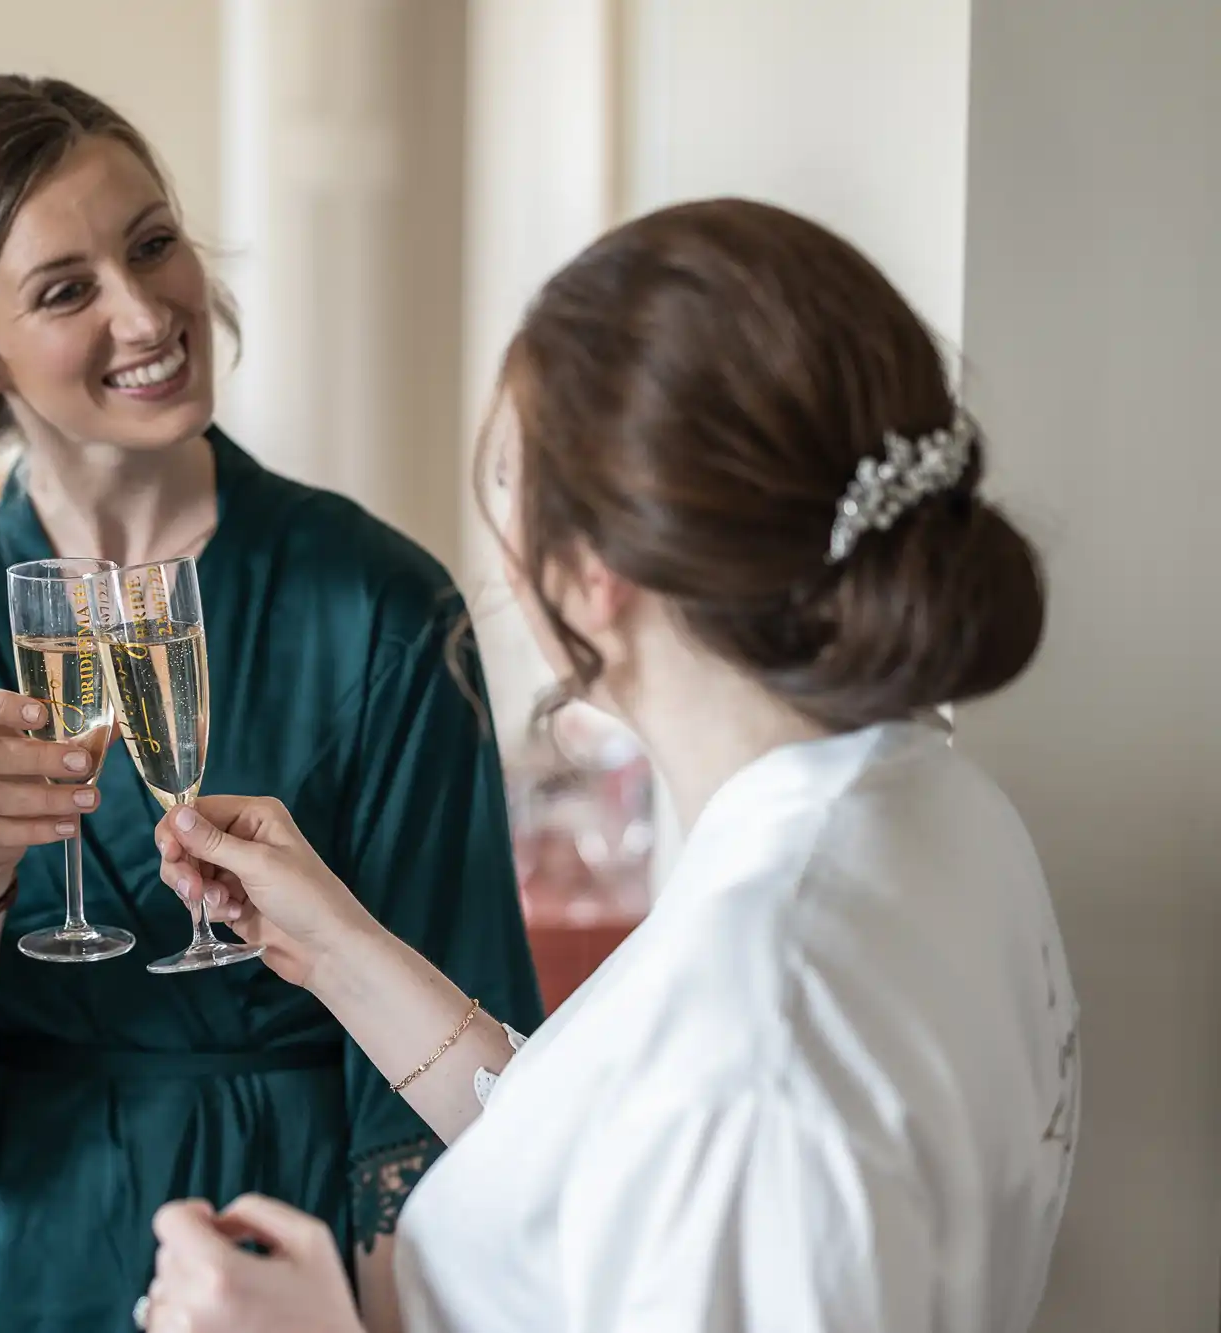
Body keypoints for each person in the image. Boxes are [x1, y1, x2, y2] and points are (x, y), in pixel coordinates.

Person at [140, 199, 1079, 1332]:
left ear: (591, 577)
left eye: (506, 486)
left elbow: (700, 1126)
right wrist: (335, 946)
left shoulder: (757, 1031)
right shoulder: (929, 804)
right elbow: (604, 1167)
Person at [0, 74, 541, 1332]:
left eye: (151, 245)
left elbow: (445, 1060)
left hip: (274, 1244)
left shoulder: (380, 606)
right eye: (66, 288)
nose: (146, 313)